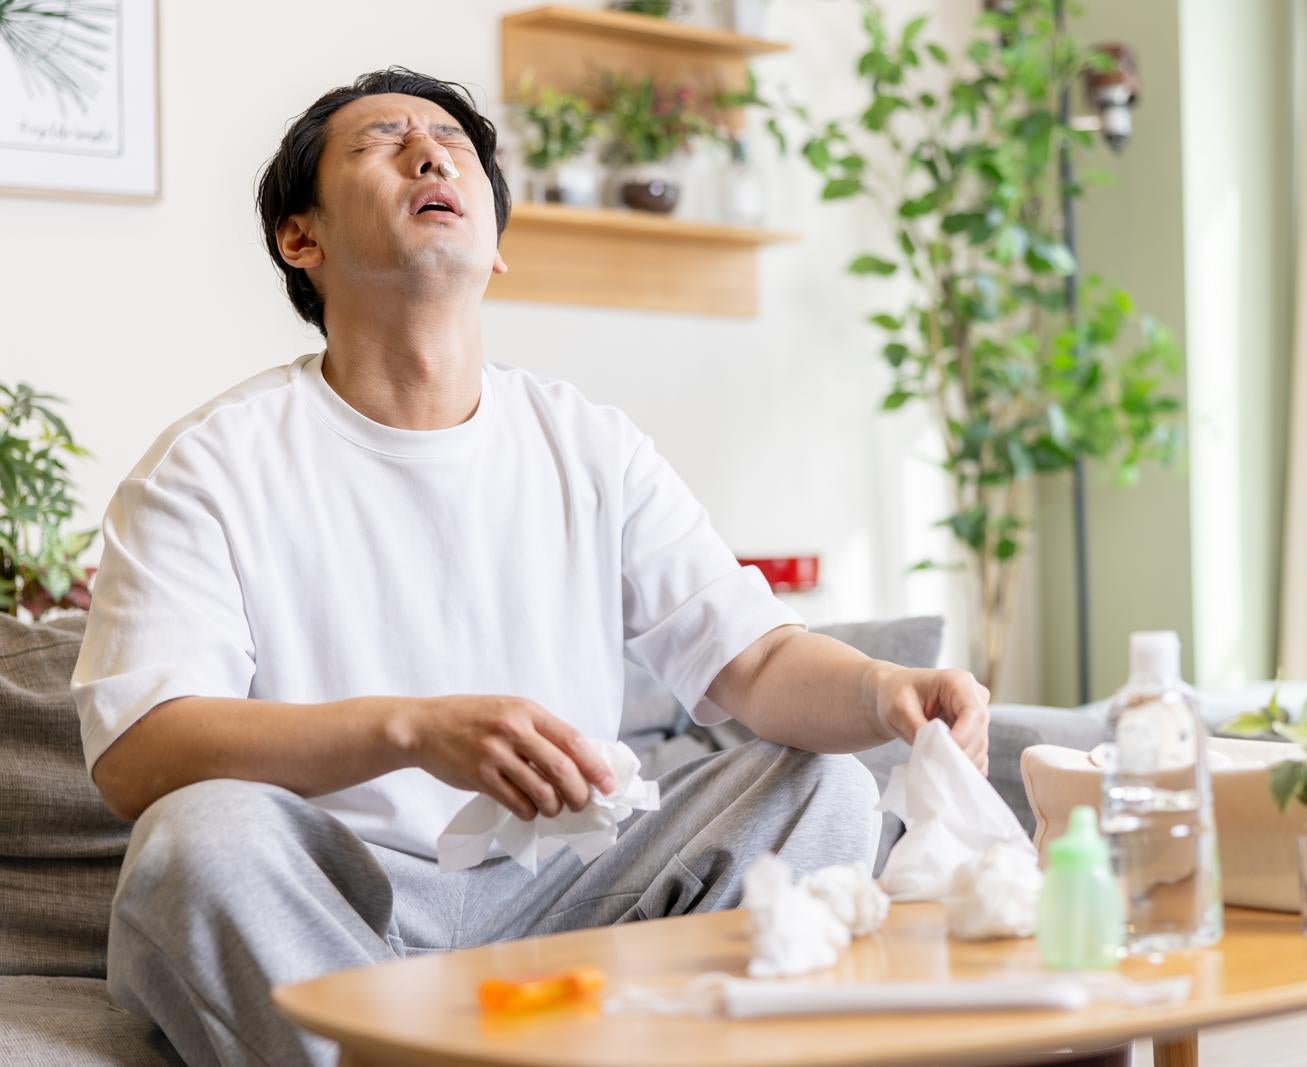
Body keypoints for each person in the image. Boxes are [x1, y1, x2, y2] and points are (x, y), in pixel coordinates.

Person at [69, 68, 991, 1066]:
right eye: (383, 142)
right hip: (338, 909)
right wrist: (415, 728)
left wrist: (884, 685)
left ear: (496, 245)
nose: (431, 155)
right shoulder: (209, 464)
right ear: (303, 239)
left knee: (827, 788)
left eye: (454, 146)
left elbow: (754, 665)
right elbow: (138, 754)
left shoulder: (586, 442)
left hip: (574, 891)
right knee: (196, 840)